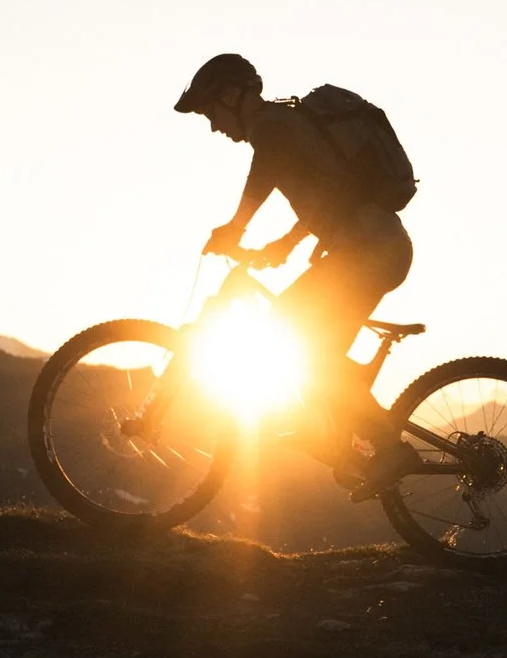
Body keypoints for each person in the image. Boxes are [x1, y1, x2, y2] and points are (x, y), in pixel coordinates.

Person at [174, 52, 417, 494]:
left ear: (232, 96)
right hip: (371, 249)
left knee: (292, 328)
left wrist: (236, 226)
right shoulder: (289, 126)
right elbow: (333, 196)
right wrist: (284, 245)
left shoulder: (271, 125)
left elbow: (263, 172)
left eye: (211, 113)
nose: (213, 126)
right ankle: (342, 439)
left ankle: (387, 447)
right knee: (310, 344)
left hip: (371, 252)